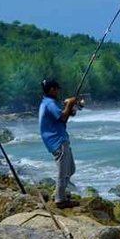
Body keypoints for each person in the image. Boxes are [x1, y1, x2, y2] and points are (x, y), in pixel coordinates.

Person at [39, 79, 79, 209]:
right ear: (52, 89)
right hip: (58, 140)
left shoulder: (47, 103)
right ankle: (60, 200)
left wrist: (70, 108)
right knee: (63, 171)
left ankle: (58, 193)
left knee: (71, 169)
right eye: (57, 89)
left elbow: (64, 117)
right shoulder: (50, 103)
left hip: (59, 139)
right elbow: (62, 118)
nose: (58, 91)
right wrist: (70, 104)